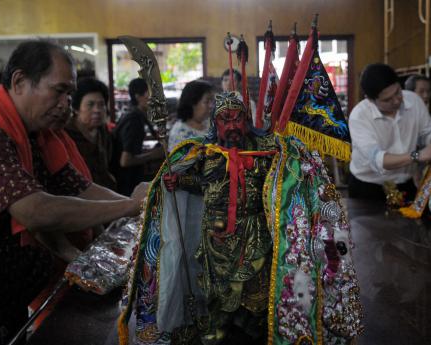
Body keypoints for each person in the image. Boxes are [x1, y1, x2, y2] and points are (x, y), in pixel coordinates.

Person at [119, 91, 363, 345]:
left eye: (239, 119)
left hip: (254, 232)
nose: (234, 125)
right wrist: (179, 181)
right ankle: (218, 328)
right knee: (217, 290)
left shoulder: (264, 152)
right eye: (226, 119)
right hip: (215, 236)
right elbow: (201, 184)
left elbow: (284, 175)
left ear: (247, 121)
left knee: (254, 289)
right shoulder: (207, 153)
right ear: (216, 123)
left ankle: (255, 329)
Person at [0, 39, 147, 344]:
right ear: (19, 81)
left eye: (70, 94)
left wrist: (145, 204)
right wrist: (130, 207)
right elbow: (36, 211)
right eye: (59, 91)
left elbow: (80, 188)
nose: (66, 104)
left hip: (16, 293)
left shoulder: (36, 137)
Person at [348, 63, 431, 202]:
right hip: (369, 188)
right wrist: (417, 155)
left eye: (397, 92)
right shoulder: (359, 116)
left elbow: (428, 134)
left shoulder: (414, 101)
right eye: (387, 100)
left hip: (405, 184)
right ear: (370, 99)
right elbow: (379, 159)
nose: (396, 101)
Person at [111, 78, 165, 196]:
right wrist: (153, 154)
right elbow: (125, 161)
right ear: (138, 96)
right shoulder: (135, 121)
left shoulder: (134, 115)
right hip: (126, 185)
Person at [66, 78, 116, 191]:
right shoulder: (66, 134)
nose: (97, 110)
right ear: (76, 108)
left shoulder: (103, 132)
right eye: (90, 104)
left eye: (101, 104)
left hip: (106, 195)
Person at [167, 79, 214, 151]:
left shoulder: (208, 123)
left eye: (212, 101)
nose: (211, 106)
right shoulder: (180, 134)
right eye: (207, 101)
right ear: (192, 103)